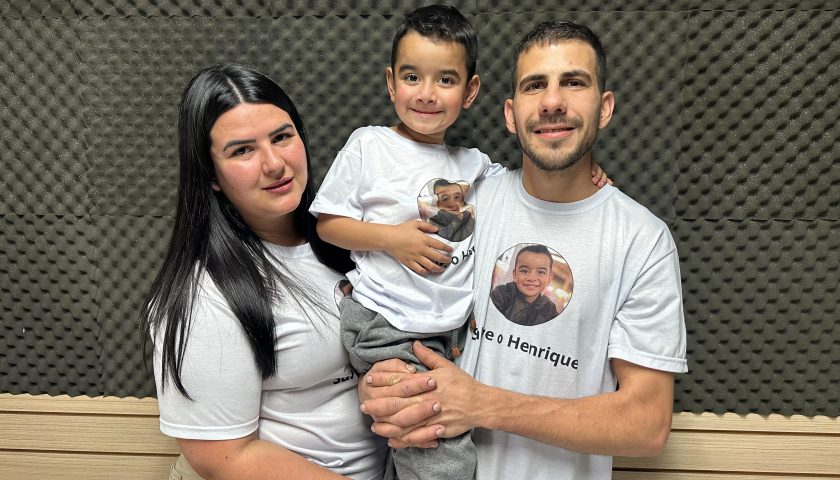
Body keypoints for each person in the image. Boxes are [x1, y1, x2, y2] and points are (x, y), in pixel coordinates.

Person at [359, 20, 688, 480]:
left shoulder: (641, 239)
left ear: (604, 107)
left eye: (573, 82)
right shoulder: (464, 199)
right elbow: (387, 299)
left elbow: (646, 425)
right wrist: (382, 384)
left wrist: (482, 405)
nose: (552, 102)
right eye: (535, 85)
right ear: (511, 115)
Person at [310, 6, 610, 479]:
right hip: (389, 325)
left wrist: (587, 169)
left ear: (470, 91)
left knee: (416, 450)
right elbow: (328, 223)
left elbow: (533, 179)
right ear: (391, 82)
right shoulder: (370, 145)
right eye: (412, 77)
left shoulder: (474, 165)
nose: (426, 94)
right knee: (442, 458)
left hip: (448, 334)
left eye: (445, 80)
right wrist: (392, 240)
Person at [140, 64, 388, 480]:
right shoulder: (205, 295)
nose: (274, 164)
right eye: (242, 151)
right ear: (211, 175)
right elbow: (223, 457)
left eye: (282, 137)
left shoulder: (347, 240)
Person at [490, 243, 559, 326]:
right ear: (514, 274)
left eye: (541, 272)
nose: (532, 278)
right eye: (524, 271)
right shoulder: (501, 294)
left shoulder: (550, 309)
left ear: (549, 279)